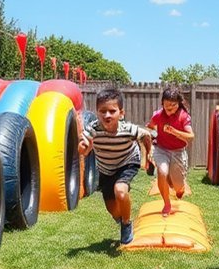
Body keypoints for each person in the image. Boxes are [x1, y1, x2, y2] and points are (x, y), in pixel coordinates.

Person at [79, 87, 153, 244]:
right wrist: (85, 147)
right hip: (106, 169)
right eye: (102, 111)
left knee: (120, 190)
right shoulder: (92, 129)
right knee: (113, 210)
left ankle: (127, 224)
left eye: (112, 111)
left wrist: (149, 157)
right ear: (97, 112)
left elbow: (146, 135)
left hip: (127, 161)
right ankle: (121, 218)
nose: (107, 115)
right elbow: (83, 150)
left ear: (121, 113)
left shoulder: (127, 129)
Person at [147, 87, 194, 215]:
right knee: (162, 171)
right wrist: (153, 134)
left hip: (178, 151)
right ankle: (167, 204)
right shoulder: (158, 115)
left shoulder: (183, 116)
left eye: (173, 105)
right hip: (161, 149)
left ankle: (179, 186)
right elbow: (150, 126)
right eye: (167, 105)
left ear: (178, 104)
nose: (170, 108)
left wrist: (174, 131)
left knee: (177, 187)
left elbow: (191, 136)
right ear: (162, 103)